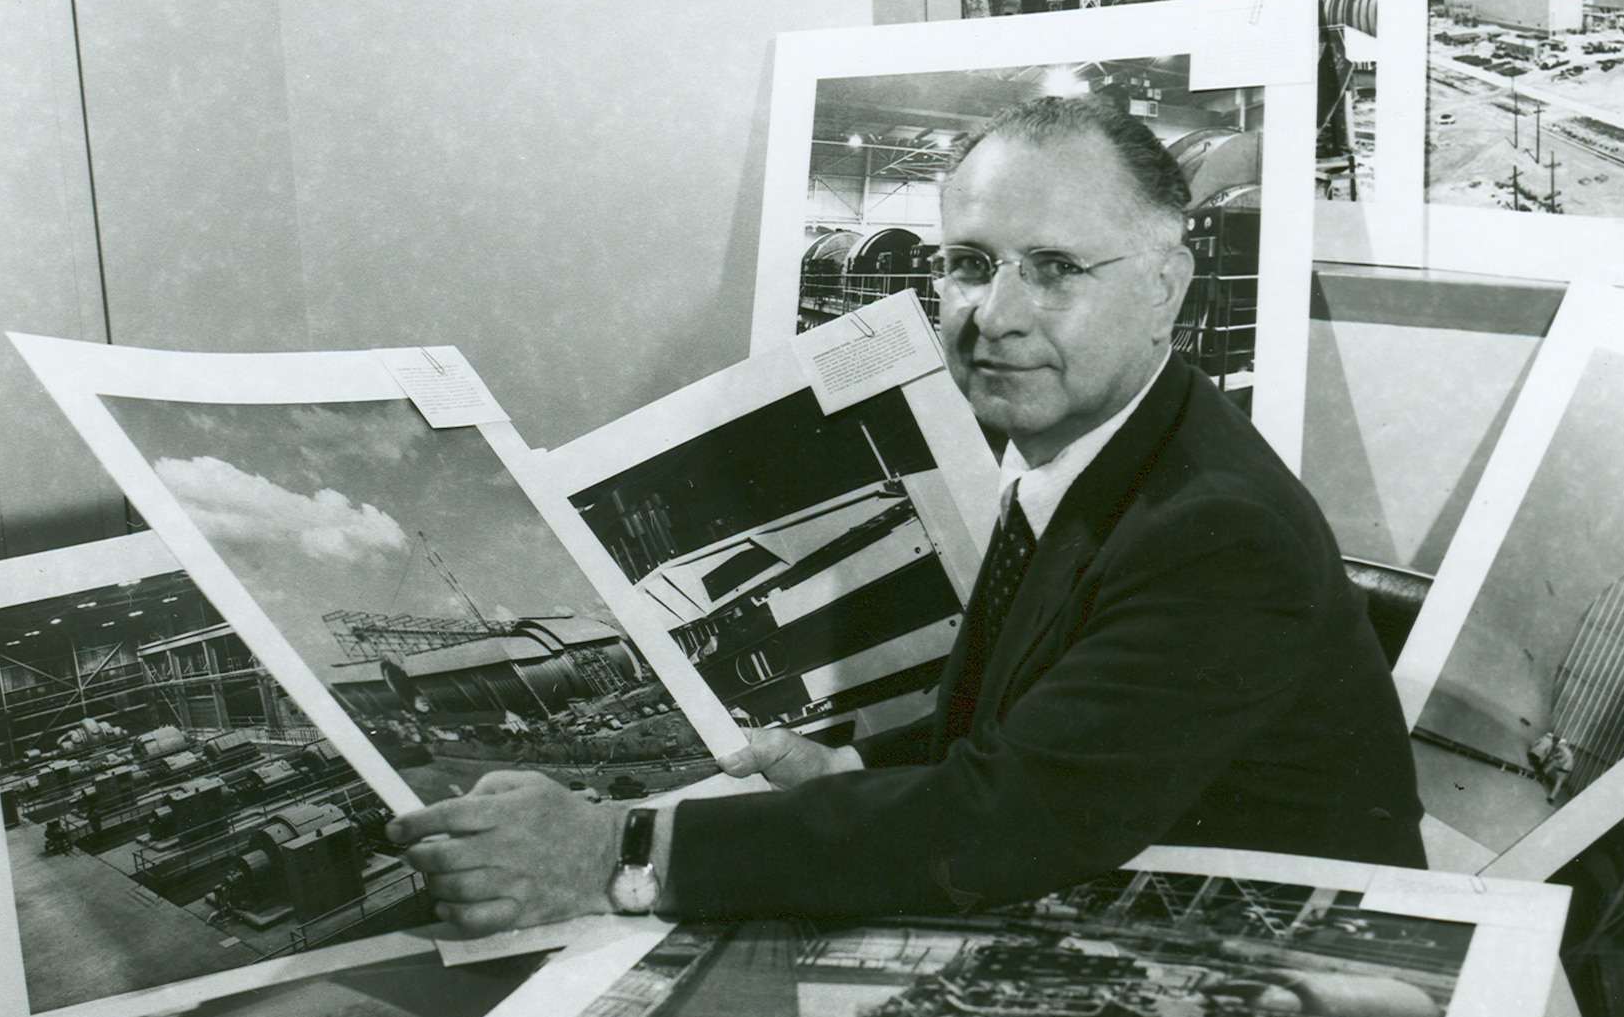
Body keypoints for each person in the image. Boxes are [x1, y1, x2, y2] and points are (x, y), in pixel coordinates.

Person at [389, 96, 1424, 932]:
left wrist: (612, 848)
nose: (995, 312)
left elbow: (1000, 819)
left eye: (1055, 268)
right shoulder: (1100, 456)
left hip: (1289, 955)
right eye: (970, 263)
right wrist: (846, 767)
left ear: (1164, 286)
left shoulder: (1213, 533)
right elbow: (1034, 725)